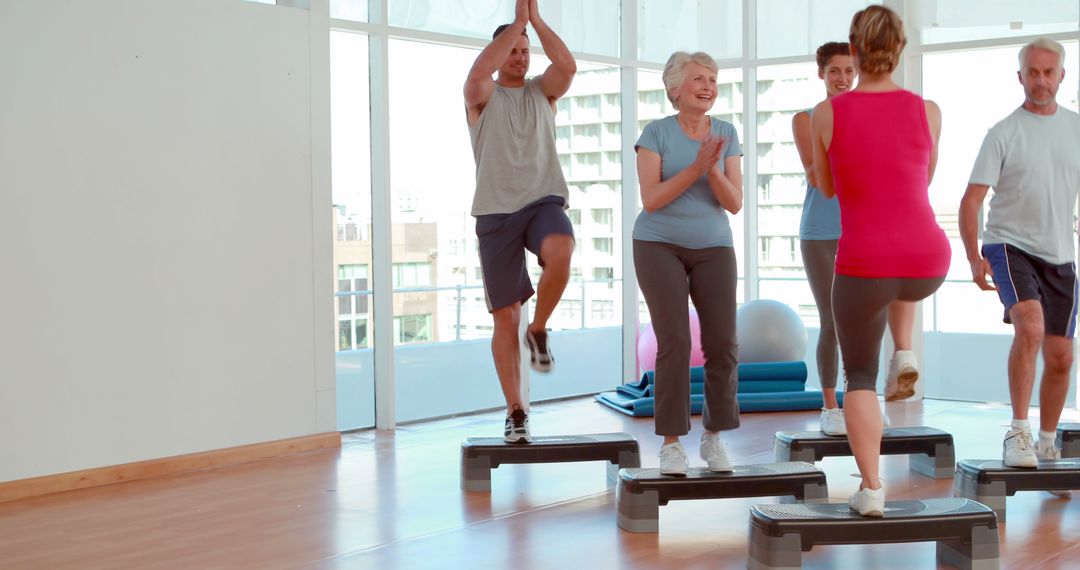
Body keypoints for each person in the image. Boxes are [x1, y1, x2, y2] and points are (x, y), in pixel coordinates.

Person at [810, 5, 950, 516]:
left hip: (865, 262)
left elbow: (826, 187)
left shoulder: (825, 113)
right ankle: (907, 352)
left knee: (860, 378)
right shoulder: (927, 109)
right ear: (901, 46)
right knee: (903, 280)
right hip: (929, 258)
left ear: (855, 48)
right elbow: (924, 178)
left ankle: (871, 489)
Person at [958, 38, 1080, 484]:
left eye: (1049, 72)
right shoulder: (1003, 133)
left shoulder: (1075, 128)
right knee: (1029, 326)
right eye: (1033, 72)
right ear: (1021, 76)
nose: (1041, 80)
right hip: (1008, 246)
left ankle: (1047, 440)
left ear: (1062, 75)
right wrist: (974, 256)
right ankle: (1018, 431)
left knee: (1063, 355)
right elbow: (971, 202)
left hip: (1060, 255)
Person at [793, 43, 920, 439]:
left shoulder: (872, 116)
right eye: (834, 71)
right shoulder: (806, 118)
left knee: (871, 320)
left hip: (865, 230)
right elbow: (817, 175)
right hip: (822, 232)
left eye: (850, 71)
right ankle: (831, 406)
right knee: (833, 319)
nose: (843, 79)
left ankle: (863, 398)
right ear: (822, 74)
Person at [464, 0, 577, 443]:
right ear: (498, 51)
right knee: (504, 318)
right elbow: (476, 76)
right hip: (495, 212)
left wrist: (535, 22)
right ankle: (516, 412)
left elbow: (566, 66)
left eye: (525, 50)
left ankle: (540, 327)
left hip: (541, 201)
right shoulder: (482, 96)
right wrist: (514, 26)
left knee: (561, 251)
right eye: (513, 49)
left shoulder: (542, 92)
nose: (521, 56)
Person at [634, 51, 743, 476]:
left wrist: (711, 169)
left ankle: (713, 438)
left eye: (713, 80)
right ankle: (672, 444)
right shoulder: (655, 133)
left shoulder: (727, 133)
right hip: (657, 243)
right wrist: (696, 165)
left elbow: (734, 203)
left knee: (723, 344)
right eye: (698, 79)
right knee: (675, 342)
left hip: (714, 245)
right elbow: (652, 199)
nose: (708, 86)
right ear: (675, 89)